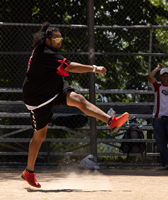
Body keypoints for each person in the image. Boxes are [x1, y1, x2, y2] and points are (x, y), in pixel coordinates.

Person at [21, 22, 129, 188]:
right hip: (38, 99)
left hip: (54, 87)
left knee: (79, 99)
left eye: (60, 40)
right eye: (56, 40)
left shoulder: (49, 52)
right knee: (39, 137)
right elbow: (69, 67)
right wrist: (95, 68)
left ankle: (111, 121)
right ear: (47, 40)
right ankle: (29, 172)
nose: (59, 43)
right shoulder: (44, 53)